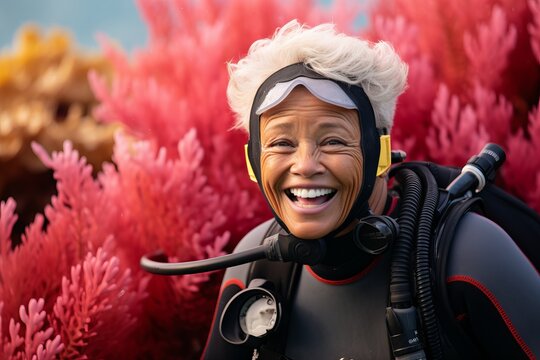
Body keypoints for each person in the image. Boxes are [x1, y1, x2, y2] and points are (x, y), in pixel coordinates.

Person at [202, 20, 540, 359]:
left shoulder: (468, 255)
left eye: (333, 140)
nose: (304, 165)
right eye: (281, 143)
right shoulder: (255, 265)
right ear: (253, 162)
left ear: (380, 152)